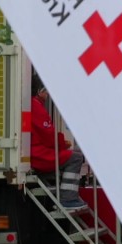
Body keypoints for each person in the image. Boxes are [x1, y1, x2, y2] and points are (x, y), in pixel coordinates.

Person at [30, 76, 87, 208]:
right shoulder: (36, 107)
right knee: (76, 157)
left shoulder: (34, 105)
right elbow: (48, 136)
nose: (47, 94)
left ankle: (68, 196)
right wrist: (62, 143)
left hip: (36, 152)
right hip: (38, 154)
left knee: (71, 156)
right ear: (39, 91)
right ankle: (68, 198)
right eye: (45, 90)